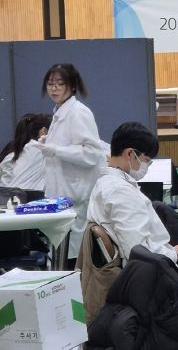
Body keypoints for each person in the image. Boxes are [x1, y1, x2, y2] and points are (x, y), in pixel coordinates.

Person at [86, 122, 178, 295]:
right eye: (147, 160)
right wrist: (177, 257)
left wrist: (171, 250)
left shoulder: (106, 184)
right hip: (152, 279)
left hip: (149, 268)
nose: (147, 166)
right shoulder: (121, 192)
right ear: (130, 154)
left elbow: (136, 242)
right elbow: (138, 253)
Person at [36, 63, 105, 262]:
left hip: (75, 197)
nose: (54, 88)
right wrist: (50, 144)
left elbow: (91, 153)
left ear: (72, 86)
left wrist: (56, 150)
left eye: (60, 83)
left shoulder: (78, 112)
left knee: (72, 257)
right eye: (50, 84)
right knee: (62, 255)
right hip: (62, 196)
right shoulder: (60, 112)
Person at [0, 113, 52, 190]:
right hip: (28, 196)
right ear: (43, 131)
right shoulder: (42, 150)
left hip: (7, 196)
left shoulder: (11, 151)